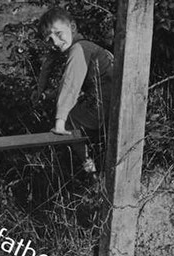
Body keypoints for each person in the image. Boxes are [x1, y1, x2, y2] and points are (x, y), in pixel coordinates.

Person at [32, 7, 114, 173]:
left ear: (73, 27)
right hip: (114, 101)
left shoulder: (78, 50)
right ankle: (97, 163)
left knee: (70, 119)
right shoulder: (86, 46)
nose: (55, 42)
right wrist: (44, 93)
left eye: (59, 34)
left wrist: (60, 122)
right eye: (49, 39)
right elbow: (63, 80)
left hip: (106, 104)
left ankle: (89, 167)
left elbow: (71, 85)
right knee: (76, 111)